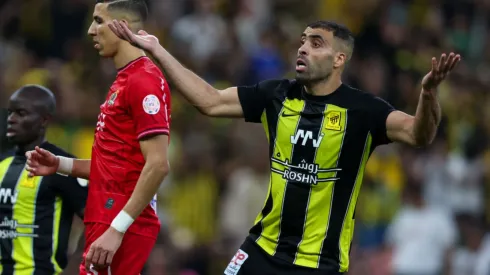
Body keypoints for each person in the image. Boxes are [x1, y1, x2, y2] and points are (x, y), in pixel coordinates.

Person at [109, 20, 461, 275]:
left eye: (317, 43)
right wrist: (156, 50)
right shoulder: (277, 95)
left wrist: (428, 94)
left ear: (339, 60)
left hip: (319, 262)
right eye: (303, 40)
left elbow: (420, 134)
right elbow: (210, 102)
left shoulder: (363, 110)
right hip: (262, 248)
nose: (303, 47)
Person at [25, 1, 172, 275]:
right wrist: (61, 165)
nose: (91, 31)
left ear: (123, 26)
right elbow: (118, 167)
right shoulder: (124, 80)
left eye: (99, 21)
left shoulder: (144, 80)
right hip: (107, 216)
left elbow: (158, 165)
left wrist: (116, 230)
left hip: (120, 221)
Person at [0, 85, 87, 275]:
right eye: (10, 113)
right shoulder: (2, 163)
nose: (11, 119)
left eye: (20, 113)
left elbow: (96, 221)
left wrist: (74, 268)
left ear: (43, 120)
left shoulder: (61, 166)